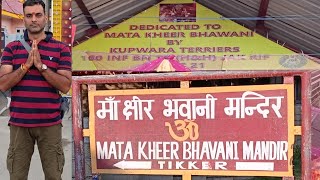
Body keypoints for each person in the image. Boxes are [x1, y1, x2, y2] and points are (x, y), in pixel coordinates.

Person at [0, 0, 72, 179]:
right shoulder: (11, 49)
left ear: (46, 18)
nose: (34, 19)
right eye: (29, 15)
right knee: (17, 176)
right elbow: (3, 84)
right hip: (19, 125)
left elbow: (65, 85)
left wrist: (41, 66)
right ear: (23, 19)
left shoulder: (61, 49)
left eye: (38, 15)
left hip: (50, 124)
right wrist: (25, 67)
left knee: (54, 175)